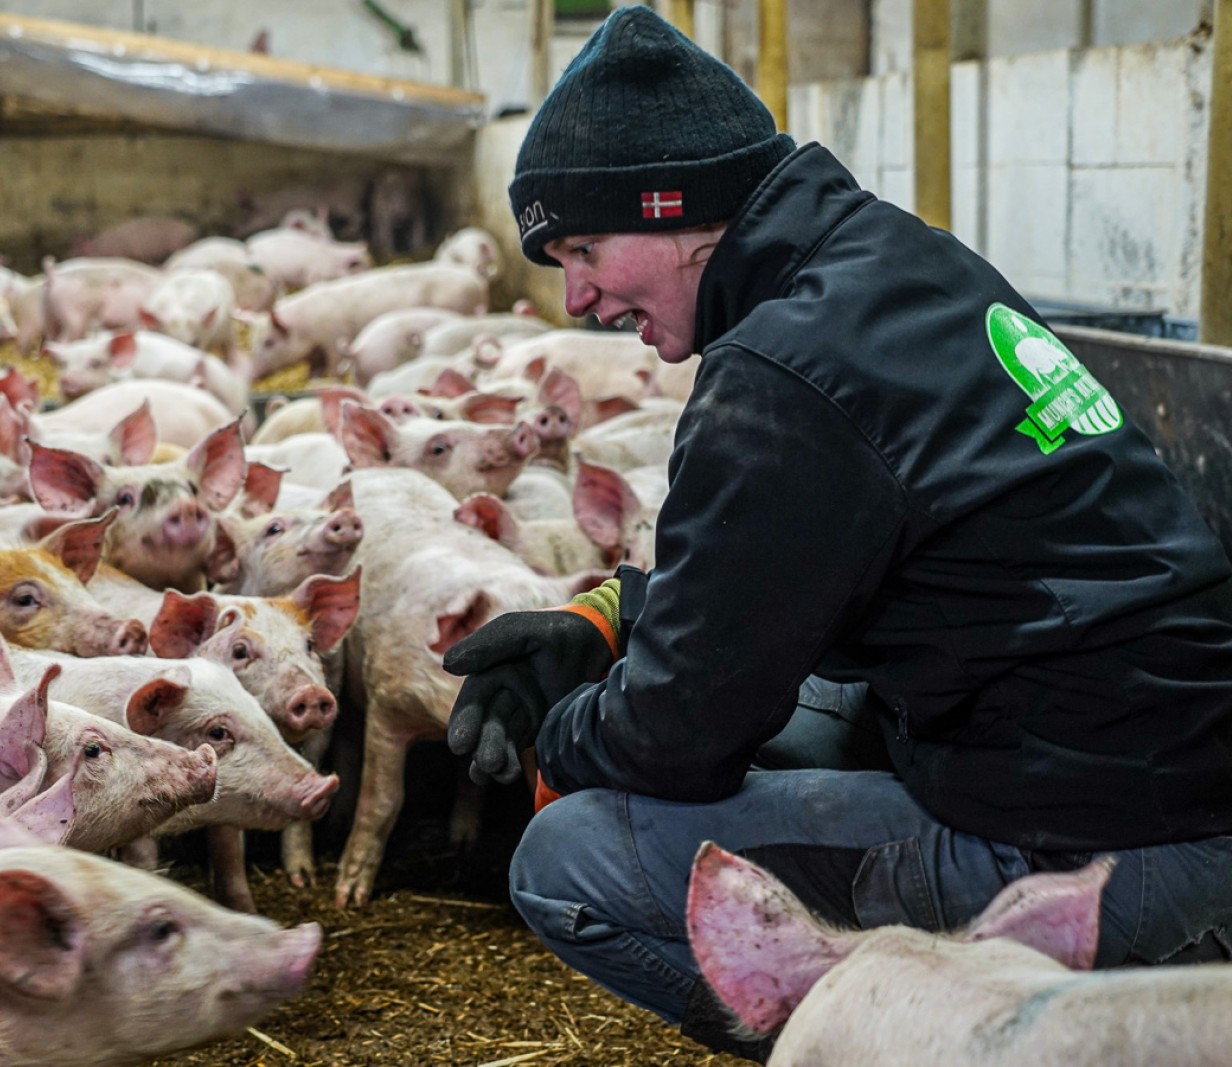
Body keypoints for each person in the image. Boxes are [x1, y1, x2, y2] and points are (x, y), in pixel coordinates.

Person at [441, 5, 1232, 1058]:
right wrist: (607, 621)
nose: (578, 296)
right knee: (812, 700)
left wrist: (562, 726)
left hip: (1091, 842)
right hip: (1174, 765)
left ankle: (889, 1039)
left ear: (676, 211)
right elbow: (799, 574)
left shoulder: (778, 372)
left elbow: (676, 735)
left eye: (585, 247)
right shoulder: (897, 261)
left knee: (567, 857)